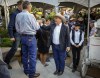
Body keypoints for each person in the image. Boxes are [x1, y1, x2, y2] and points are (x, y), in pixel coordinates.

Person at [15, 1, 40, 78]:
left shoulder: (18, 15)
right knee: (32, 56)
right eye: (31, 6)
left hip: (23, 37)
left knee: (25, 55)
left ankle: (26, 71)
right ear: (28, 7)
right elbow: (37, 27)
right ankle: (32, 74)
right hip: (31, 38)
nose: (31, 7)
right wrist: (38, 23)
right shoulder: (30, 15)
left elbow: (17, 28)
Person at [4, 1, 23, 69]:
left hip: (22, 33)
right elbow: (10, 25)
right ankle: (6, 62)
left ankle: (23, 61)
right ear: (19, 5)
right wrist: (11, 36)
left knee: (23, 48)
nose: (23, 6)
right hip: (16, 33)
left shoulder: (23, 13)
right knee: (14, 48)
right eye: (22, 5)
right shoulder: (14, 13)